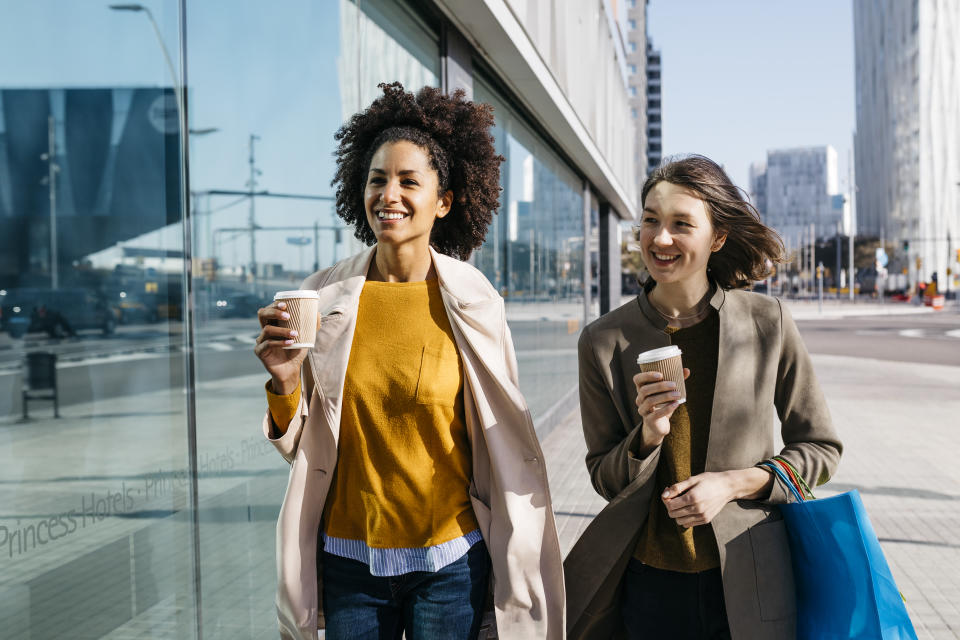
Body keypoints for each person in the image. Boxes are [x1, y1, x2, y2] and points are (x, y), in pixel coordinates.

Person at [254, 82, 564, 640]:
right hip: (348, 564)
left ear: (444, 201)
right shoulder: (324, 297)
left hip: (449, 564)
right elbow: (305, 448)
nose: (388, 194)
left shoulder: (474, 300)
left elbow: (503, 437)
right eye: (377, 179)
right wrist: (283, 384)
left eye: (408, 180)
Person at [564, 155, 843, 640]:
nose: (660, 238)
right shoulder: (603, 340)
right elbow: (603, 478)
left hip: (751, 576)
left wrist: (733, 484)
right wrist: (648, 436)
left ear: (717, 238)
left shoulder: (766, 322)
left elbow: (821, 449)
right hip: (647, 584)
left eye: (680, 224)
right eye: (650, 220)